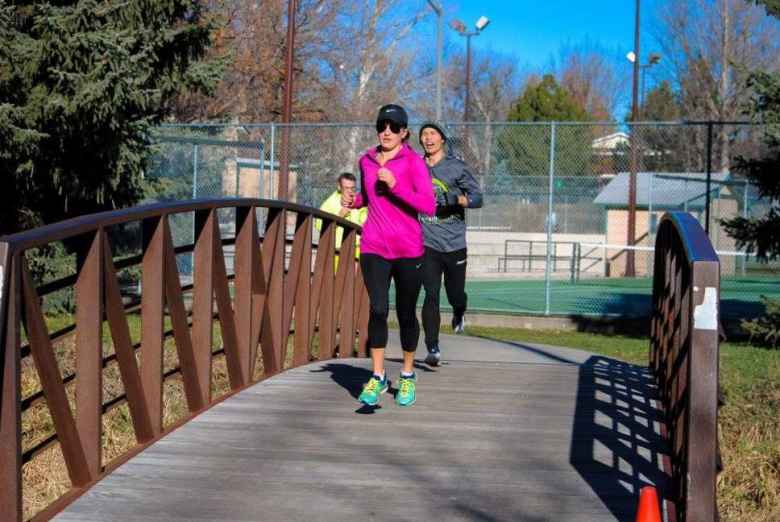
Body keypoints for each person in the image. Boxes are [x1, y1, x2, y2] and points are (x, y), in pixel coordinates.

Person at [341, 104, 435, 407]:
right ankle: (378, 375)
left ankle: (407, 375)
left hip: (409, 249)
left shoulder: (413, 163)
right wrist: (354, 201)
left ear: (405, 132)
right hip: (374, 246)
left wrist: (395, 187)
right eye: (382, 125)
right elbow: (369, 197)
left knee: (406, 313)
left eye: (394, 127)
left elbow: (428, 205)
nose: (387, 131)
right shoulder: (366, 160)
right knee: (378, 309)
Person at [418, 122, 483, 366]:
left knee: (455, 293)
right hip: (427, 242)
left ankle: (458, 311)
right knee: (431, 294)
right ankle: (432, 346)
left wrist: (456, 199)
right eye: (424, 134)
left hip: (454, 243)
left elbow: (478, 198)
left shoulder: (456, 167)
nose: (428, 138)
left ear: (442, 139)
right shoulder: (416, 165)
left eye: (433, 134)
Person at [317, 173, 367, 264]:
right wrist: (339, 216)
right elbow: (320, 226)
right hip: (337, 249)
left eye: (352, 188)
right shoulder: (329, 204)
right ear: (339, 187)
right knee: (337, 277)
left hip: (357, 248)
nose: (350, 191)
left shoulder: (358, 203)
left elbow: (366, 222)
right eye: (346, 188)